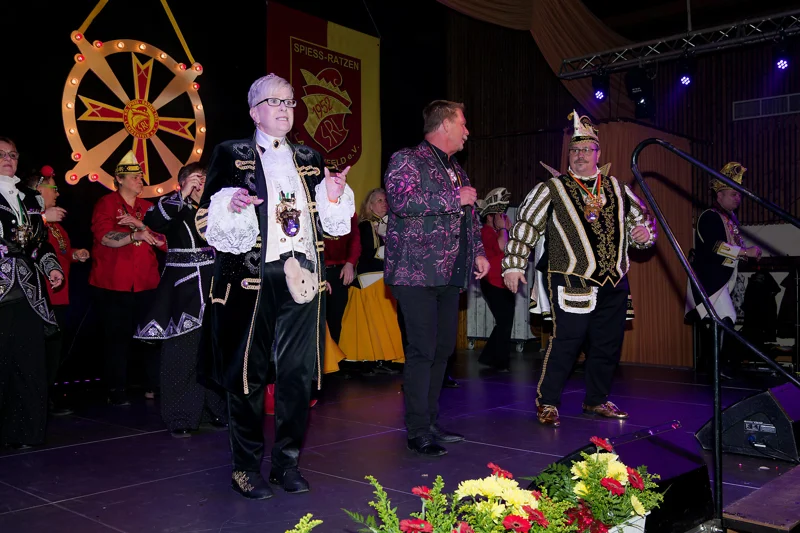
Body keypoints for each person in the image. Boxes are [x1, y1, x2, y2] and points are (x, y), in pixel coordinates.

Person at [197, 73, 354, 499]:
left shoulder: (309, 156)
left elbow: (330, 226)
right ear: (255, 112)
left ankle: (287, 464)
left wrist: (334, 195)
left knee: (298, 375)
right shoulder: (231, 153)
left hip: (302, 276)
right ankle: (245, 468)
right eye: (275, 101)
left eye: (289, 102)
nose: (285, 108)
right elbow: (205, 219)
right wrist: (231, 205)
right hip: (252, 279)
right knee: (247, 376)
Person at [502, 111, 657, 428]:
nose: (580, 155)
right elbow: (525, 226)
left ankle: (596, 400)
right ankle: (548, 402)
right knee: (567, 341)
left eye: (587, 149)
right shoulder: (552, 188)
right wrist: (514, 265)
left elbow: (641, 225)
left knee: (607, 345)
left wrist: (644, 235)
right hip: (571, 277)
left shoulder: (617, 188)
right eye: (575, 150)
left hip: (614, 279)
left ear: (598, 153)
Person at [384, 100, 489, 457]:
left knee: (443, 349)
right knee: (422, 350)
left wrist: (478, 252)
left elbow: (469, 217)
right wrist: (453, 197)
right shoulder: (407, 159)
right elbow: (400, 201)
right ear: (445, 125)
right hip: (415, 272)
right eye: (463, 124)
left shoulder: (456, 168)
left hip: (449, 271)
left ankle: (430, 422)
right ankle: (417, 430)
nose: (467, 132)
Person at [134, 163, 227, 437]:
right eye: (197, 179)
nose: (202, 184)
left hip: (215, 287)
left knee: (214, 353)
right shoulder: (175, 207)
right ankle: (181, 416)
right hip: (183, 289)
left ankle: (215, 410)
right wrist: (182, 194)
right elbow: (153, 221)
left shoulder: (218, 207)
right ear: (183, 183)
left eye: (206, 179)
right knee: (182, 354)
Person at [0, 137, 64, 449]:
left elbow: (39, 244)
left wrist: (52, 268)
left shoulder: (28, 197)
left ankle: (25, 433)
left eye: (12, 154)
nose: (8, 159)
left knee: (28, 364)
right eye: (1, 154)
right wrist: (40, 219)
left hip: (27, 291)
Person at [89, 151, 164, 406]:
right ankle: (116, 388)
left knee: (151, 337)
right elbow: (104, 237)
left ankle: (153, 386)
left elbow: (164, 241)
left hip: (146, 282)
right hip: (113, 283)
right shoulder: (107, 204)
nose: (140, 180)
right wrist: (133, 236)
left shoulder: (149, 208)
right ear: (119, 179)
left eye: (141, 176)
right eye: (134, 177)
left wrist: (142, 227)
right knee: (117, 338)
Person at [21, 165, 90, 416]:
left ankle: (46, 398)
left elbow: (58, 253)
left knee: (53, 352)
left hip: (59, 295)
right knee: (39, 352)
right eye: (54, 188)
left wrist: (74, 254)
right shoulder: (28, 218)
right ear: (38, 190)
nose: (58, 193)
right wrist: (41, 217)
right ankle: (35, 402)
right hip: (40, 298)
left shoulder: (56, 224)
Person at [685, 162, 760, 378]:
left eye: (739, 194)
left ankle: (712, 365)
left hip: (719, 280)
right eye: (733, 194)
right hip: (709, 279)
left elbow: (727, 249)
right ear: (719, 196)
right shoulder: (710, 216)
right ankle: (716, 366)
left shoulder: (727, 219)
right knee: (726, 317)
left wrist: (745, 253)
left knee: (718, 320)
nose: (738, 198)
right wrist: (745, 252)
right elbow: (716, 247)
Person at [338, 187, 404, 372]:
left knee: (385, 323)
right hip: (370, 281)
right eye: (380, 201)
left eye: (386, 201)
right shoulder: (366, 225)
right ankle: (378, 360)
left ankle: (384, 359)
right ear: (370, 205)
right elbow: (370, 253)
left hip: (384, 280)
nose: (384, 204)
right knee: (378, 325)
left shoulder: (390, 226)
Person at [475, 187, 514, 372]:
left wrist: (508, 230)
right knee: (504, 322)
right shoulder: (486, 232)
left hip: (504, 282)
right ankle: (499, 361)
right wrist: (503, 229)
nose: (503, 217)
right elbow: (502, 246)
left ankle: (489, 357)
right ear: (490, 216)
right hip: (492, 283)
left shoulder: (499, 232)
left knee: (505, 322)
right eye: (499, 215)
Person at [323, 212, 360, 344]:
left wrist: (350, 263)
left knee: (336, 319)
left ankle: (333, 355)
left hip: (339, 270)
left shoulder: (347, 207)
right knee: (315, 319)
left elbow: (355, 237)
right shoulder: (314, 204)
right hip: (315, 269)